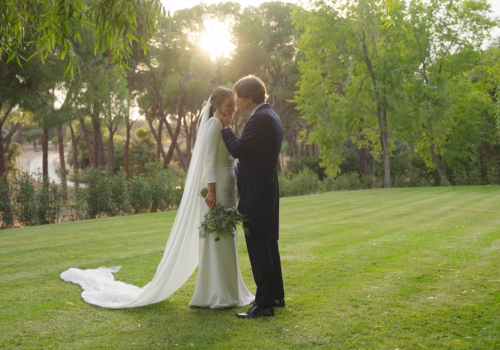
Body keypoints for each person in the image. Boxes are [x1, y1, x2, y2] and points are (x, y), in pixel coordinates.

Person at [60, 88, 254, 309]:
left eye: (234, 105)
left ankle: (231, 290)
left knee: (228, 238)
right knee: (216, 239)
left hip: (227, 189)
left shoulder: (226, 126)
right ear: (216, 106)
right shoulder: (214, 126)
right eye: (229, 105)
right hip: (216, 190)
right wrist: (211, 190)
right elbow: (209, 161)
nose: (233, 109)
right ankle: (216, 293)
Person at [215, 75, 285, 319]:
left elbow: (238, 149)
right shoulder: (270, 116)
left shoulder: (260, 119)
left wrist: (226, 128)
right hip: (266, 189)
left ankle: (264, 305)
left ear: (250, 98)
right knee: (268, 244)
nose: (237, 103)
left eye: (239, 98)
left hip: (256, 192)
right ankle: (276, 296)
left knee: (258, 246)